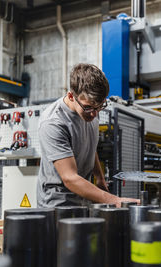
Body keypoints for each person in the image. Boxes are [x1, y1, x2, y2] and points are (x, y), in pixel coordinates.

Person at [37, 63, 139, 208]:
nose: (94, 113)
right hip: (57, 205)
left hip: (83, 199)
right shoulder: (54, 122)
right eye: (88, 107)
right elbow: (70, 178)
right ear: (71, 96)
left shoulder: (92, 112)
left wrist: (99, 178)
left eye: (100, 106)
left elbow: (90, 147)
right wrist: (115, 200)